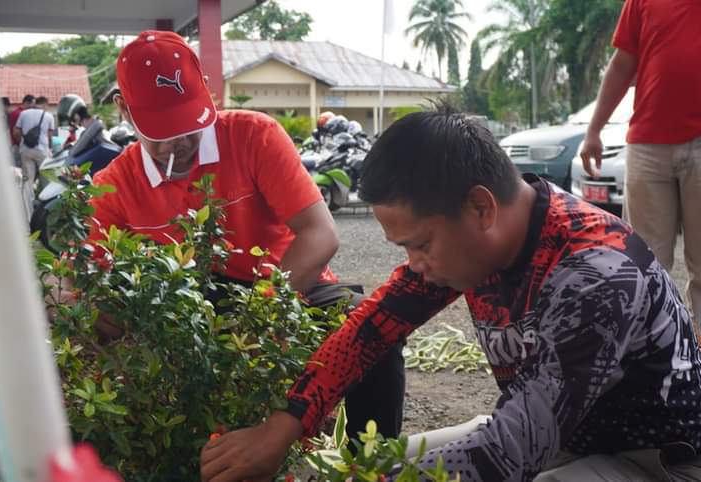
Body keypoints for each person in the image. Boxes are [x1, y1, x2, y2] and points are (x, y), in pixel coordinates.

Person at [201, 106, 701, 482]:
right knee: (363, 468)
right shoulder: (472, 244)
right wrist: (285, 425)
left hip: (654, 464)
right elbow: (369, 329)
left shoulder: (595, 274)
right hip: (559, 437)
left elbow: (511, 450)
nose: (414, 265)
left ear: (480, 208)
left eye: (419, 244)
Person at [87, 30, 405, 444]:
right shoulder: (112, 185)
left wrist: (258, 317)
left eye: (189, 124)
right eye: (163, 133)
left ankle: (372, 463)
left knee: (375, 336)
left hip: (284, 287)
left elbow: (320, 235)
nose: (181, 144)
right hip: (185, 308)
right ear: (125, 113)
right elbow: (93, 288)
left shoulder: (254, 135)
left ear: (206, 95)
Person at [579, 0, 701, 327]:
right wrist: (594, 130)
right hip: (648, 144)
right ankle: (657, 350)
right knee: (645, 263)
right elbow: (622, 64)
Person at [13, 96, 54, 220]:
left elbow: (16, 132)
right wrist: (50, 149)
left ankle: (28, 214)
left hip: (26, 151)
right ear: (45, 104)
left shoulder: (24, 114)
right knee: (46, 181)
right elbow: (50, 135)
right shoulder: (48, 116)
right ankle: (45, 212)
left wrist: (22, 143)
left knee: (28, 182)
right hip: (42, 151)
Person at [8, 94, 35, 167]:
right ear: (26, 103)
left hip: (14, 144)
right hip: (19, 145)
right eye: (32, 105)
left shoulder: (15, 112)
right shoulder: (20, 114)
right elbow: (17, 132)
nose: (32, 107)